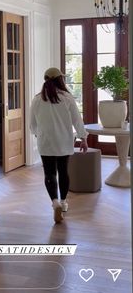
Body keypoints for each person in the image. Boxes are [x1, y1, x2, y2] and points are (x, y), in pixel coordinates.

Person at [30, 67, 88, 224]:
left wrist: (39, 133)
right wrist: (83, 138)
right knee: (63, 171)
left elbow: (32, 125)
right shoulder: (67, 98)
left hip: (45, 142)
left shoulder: (36, 99)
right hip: (64, 141)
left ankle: (54, 201)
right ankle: (63, 203)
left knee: (49, 174)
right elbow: (77, 120)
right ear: (60, 80)